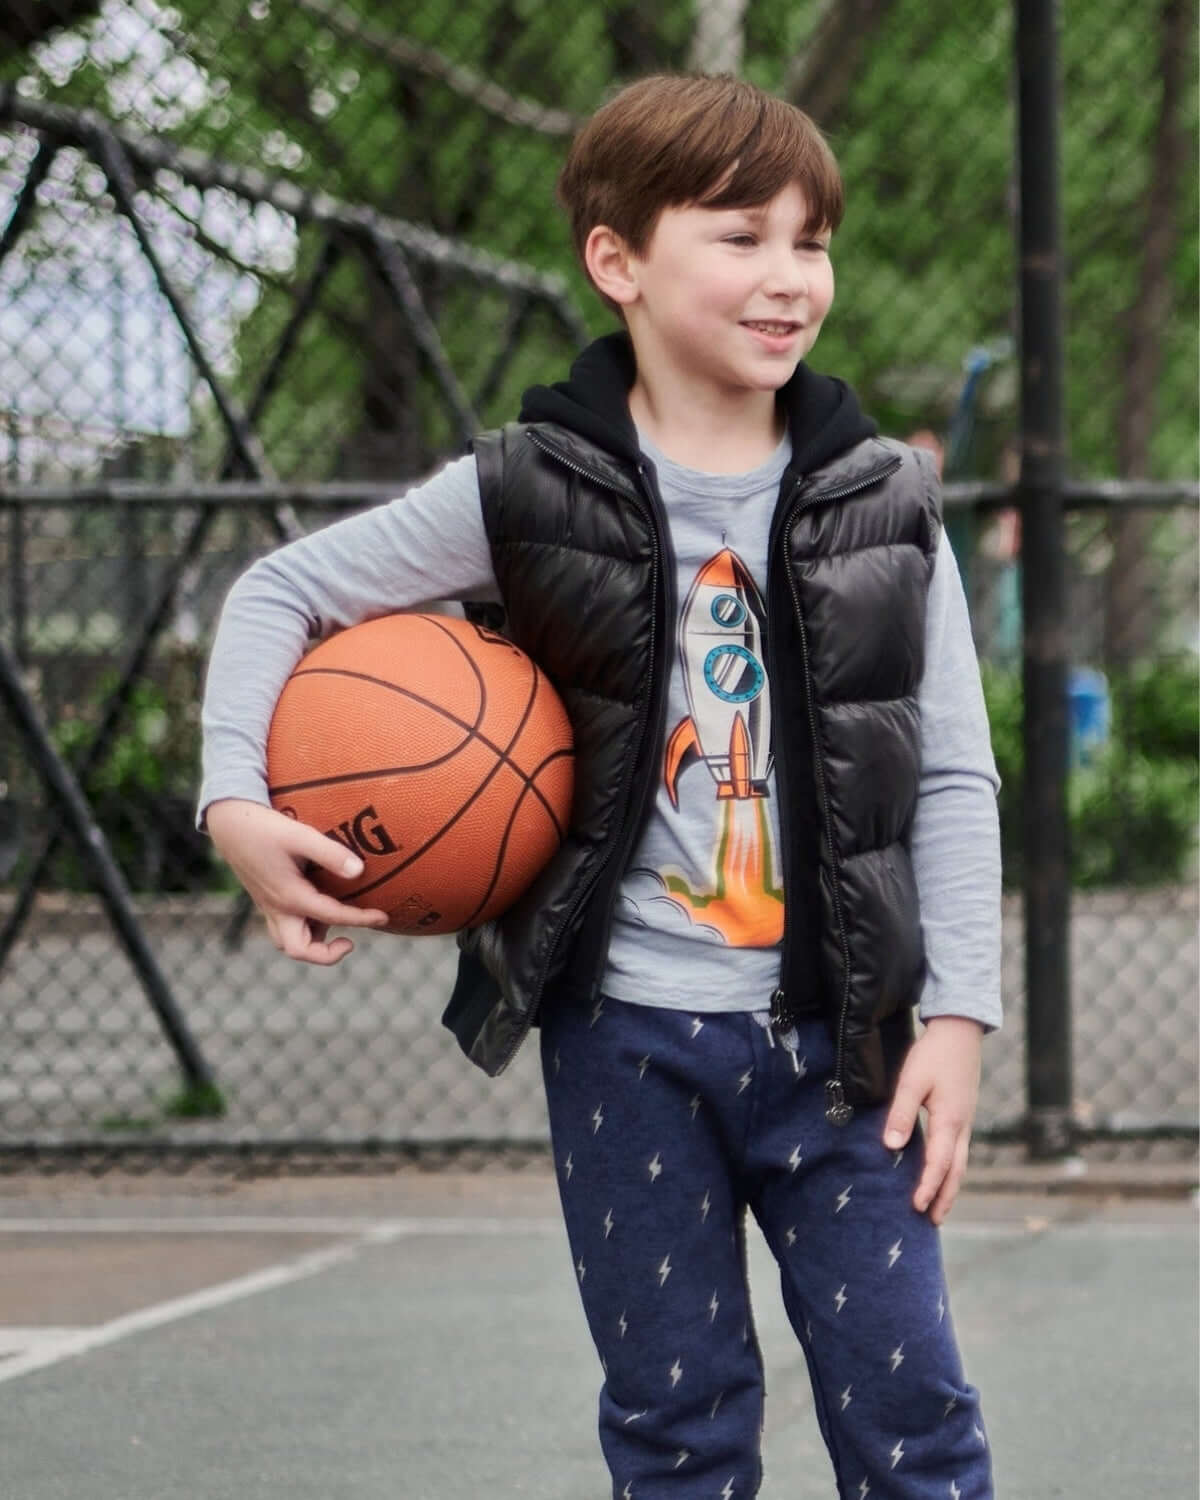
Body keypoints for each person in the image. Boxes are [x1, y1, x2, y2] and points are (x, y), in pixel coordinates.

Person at [199, 73, 1001, 1499]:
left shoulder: (885, 500)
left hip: (848, 1055)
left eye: (810, 241)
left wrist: (958, 1016)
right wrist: (234, 805)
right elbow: (278, 593)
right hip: (628, 1043)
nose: (788, 277)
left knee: (916, 1417)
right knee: (676, 1426)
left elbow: (949, 771)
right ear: (617, 260)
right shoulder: (527, 490)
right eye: (742, 236)